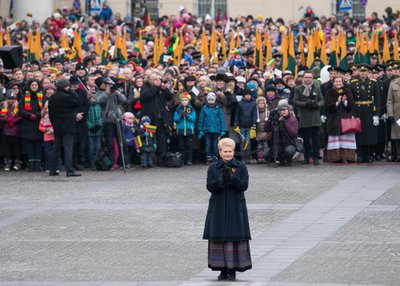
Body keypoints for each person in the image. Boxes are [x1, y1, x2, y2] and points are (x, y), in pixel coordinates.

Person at [203, 137, 252, 281]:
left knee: (233, 239)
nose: (228, 154)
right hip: (218, 207)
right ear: (219, 152)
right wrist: (220, 181)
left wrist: (232, 178)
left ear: (233, 152)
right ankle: (222, 269)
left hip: (235, 207)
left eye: (230, 151)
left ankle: (232, 270)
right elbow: (209, 186)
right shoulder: (213, 167)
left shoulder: (241, 166)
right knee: (220, 239)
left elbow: (244, 185)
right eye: (225, 152)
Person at [48, 78, 82, 177]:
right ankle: (69, 170)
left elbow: (50, 113)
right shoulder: (67, 97)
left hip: (57, 126)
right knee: (68, 148)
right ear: (65, 87)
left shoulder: (52, 97)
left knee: (56, 148)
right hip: (68, 126)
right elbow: (78, 101)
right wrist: (72, 91)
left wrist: (54, 124)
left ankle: (52, 169)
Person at [350, 64, 381, 163]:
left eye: (365, 72)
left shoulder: (373, 83)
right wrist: (352, 113)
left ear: (368, 72)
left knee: (370, 134)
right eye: (361, 71)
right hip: (358, 111)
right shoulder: (353, 83)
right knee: (359, 134)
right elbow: (352, 100)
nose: (363, 74)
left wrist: (377, 114)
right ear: (358, 72)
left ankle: (370, 155)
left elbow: (377, 99)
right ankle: (360, 155)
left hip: (370, 111)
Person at [293, 70, 324, 165]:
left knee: (315, 138)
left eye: (310, 77)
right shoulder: (298, 88)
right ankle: (306, 157)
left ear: (312, 78)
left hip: (315, 116)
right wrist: (305, 104)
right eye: (306, 77)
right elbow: (295, 101)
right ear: (303, 78)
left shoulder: (317, 88)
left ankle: (315, 157)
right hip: (304, 115)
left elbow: (322, 100)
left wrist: (317, 105)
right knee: (305, 138)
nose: (308, 79)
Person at [324, 76, 357, 163]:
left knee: (346, 137)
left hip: (346, 119)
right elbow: (327, 106)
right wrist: (337, 102)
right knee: (335, 139)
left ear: (342, 82)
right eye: (336, 81)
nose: (338, 83)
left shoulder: (347, 91)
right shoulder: (329, 92)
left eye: (340, 81)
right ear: (333, 82)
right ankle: (335, 157)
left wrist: (345, 102)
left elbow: (352, 105)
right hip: (334, 119)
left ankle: (346, 157)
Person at [19, 79, 44, 171]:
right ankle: (31, 164)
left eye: (35, 85)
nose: (34, 87)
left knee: (38, 144)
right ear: (29, 86)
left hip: (38, 122)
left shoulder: (42, 96)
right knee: (29, 145)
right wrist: (29, 115)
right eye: (32, 85)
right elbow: (20, 109)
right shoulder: (24, 96)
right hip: (28, 123)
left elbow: (44, 108)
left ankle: (37, 164)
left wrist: (37, 115)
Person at [198, 92, 227, 164]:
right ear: (207, 100)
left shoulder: (218, 109)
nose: (211, 101)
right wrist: (200, 130)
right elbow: (201, 120)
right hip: (207, 130)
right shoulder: (204, 108)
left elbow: (222, 120)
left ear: (215, 100)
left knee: (215, 145)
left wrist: (223, 129)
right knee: (208, 145)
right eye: (209, 99)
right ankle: (208, 158)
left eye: (212, 99)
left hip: (216, 130)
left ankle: (215, 158)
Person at [0, 91, 22, 171]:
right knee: (7, 147)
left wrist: (14, 120)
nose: (11, 101)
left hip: (16, 129)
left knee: (16, 147)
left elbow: (21, 116)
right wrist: (6, 119)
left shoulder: (18, 106)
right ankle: (8, 162)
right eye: (9, 99)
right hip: (5, 129)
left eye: (12, 99)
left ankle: (17, 162)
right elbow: (0, 116)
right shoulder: (3, 105)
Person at [173, 92, 196, 165]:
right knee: (181, 146)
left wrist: (187, 116)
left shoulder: (191, 109)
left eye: (185, 100)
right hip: (180, 130)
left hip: (189, 130)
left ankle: (189, 160)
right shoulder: (178, 109)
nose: (184, 102)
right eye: (182, 100)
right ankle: (181, 159)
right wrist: (180, 116)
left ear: (188, 101)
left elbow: (193, 119)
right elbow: (175, 119)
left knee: (189, 146)